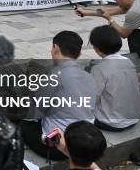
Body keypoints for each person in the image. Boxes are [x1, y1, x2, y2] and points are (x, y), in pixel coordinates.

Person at [20, 31, 98, 160]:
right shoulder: (89, 76)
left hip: (60, 148)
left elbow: (31, 116)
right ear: (78, 54)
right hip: (85, 141)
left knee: (22, 120)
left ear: (55, 48)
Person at [89, 25, 140, 131]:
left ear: (96, 48)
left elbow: (92, 98)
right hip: (134, 118)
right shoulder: (128, 61)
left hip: (112, 123)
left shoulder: (99, 68)